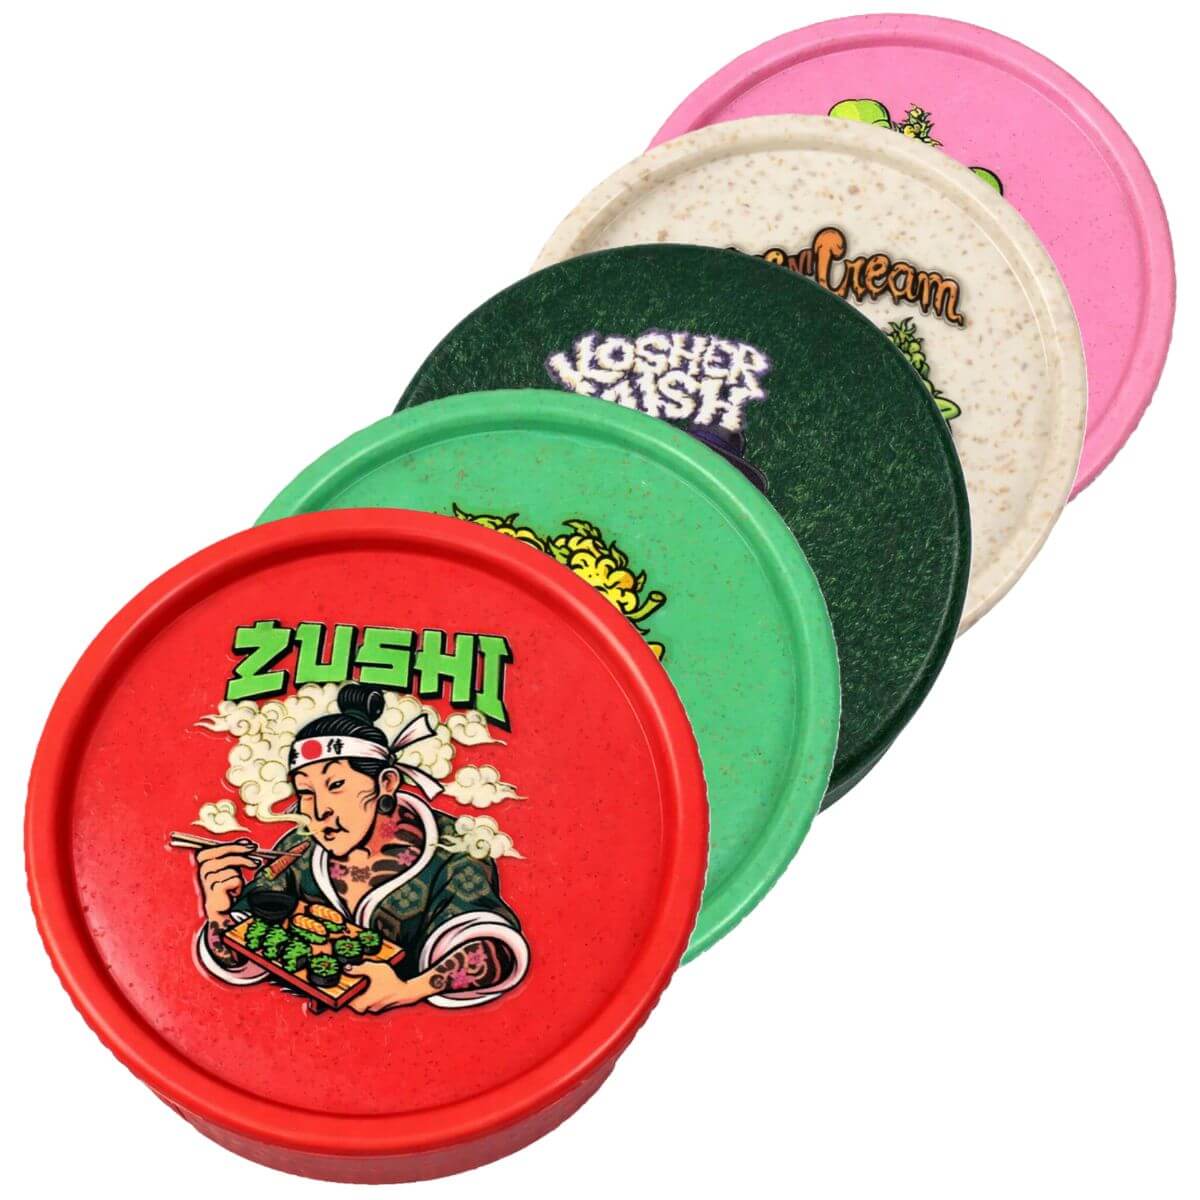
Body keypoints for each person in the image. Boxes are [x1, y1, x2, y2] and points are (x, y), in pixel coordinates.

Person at [195, 683, 528, 1012]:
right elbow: (249, 942)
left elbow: (494, 951)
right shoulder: (298, 848)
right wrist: (221, 917)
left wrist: (411, 989)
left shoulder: (454, 848)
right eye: (306, 792)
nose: (319, 811)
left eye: (336, 784)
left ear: (386, 782)